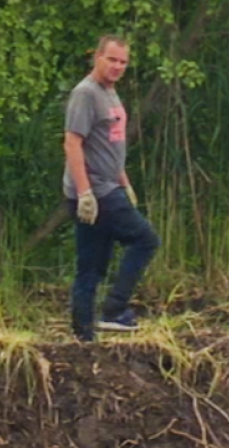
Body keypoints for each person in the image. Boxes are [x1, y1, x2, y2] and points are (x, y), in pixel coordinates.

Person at [63, 35, 158, 342]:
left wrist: (125, 182)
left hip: (110, 185)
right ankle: (114, 311)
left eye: (123, 62)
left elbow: (108, 145)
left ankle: (83, 336)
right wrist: (85, 193)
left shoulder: (111, 93)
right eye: (112, 60)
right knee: (145, 240)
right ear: (97, 58)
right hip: (97, 192)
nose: (117, 66)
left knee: (92, 265)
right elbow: (73, 143)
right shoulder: (86, 93)